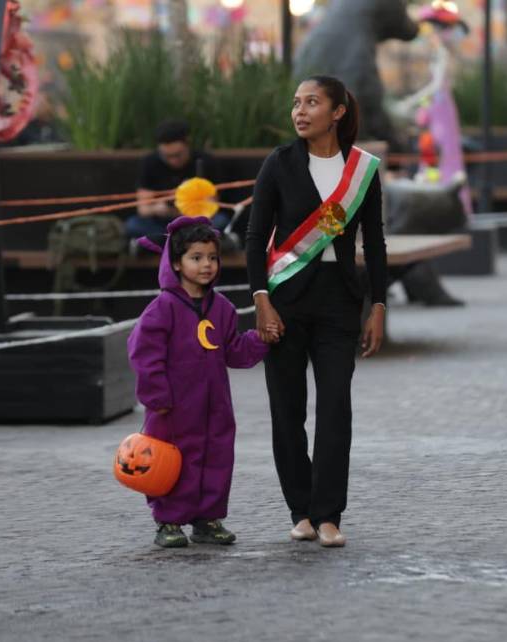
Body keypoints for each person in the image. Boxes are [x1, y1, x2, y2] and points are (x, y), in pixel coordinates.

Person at [246, 75, 388, 548]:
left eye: (312, 102)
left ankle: (329, 514)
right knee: (287, 412)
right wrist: (260, 299)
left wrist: (379, 305)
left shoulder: (362, 170)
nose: (300, 111)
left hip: (338, 301)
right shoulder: (280, 164)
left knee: (335, 410)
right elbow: (254, 237)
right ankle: (300, 509)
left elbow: (376, 243)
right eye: (296, 103)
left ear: (338, 112)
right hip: (285, 298)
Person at [127, 218, 269, 548]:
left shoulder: (222, 309)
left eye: (212, 257)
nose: (206, 265)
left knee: (216, 457)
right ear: (176, 263)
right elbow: (144, 353)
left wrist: (261, 338)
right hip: (173, 407)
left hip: (215, 405)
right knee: (172, 462)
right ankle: (168, 520)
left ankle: (207, 518)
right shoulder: (161, 309)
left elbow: (233, 351)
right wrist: (157, 396)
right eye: (196, 257)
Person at [127, 120, 230, 240]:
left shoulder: (205, 162)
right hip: (162, 221)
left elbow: (212, 205)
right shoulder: (149, 163)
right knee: (133, 225)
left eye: (178, 155)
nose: (173, 161)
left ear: (188, 144)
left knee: (220, 221)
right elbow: (143, 209)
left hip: (194, 221)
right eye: (167, 156)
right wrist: (156, 208)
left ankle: (172, 240)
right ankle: (181, 240)